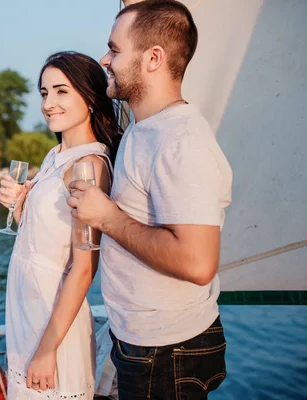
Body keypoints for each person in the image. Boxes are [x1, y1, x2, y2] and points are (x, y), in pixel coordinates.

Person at [67, 1, 233, 398]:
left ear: (153, 57)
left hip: (167, 350)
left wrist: (107, 218)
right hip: (143, 340)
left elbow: (197, 263)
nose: (105, 59)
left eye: (115, 49)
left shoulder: (181, 142)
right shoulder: (144, 129)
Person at [0, 51, 121, 399]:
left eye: (61, 91)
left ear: (91, 97)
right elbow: (38, 240)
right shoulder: (54, 157)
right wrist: (19, 204)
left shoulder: (89, 167)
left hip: (52, 324)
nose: (49, 102)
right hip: (26, 309)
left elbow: (83, 268)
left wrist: (48, 349)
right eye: (44, 92)